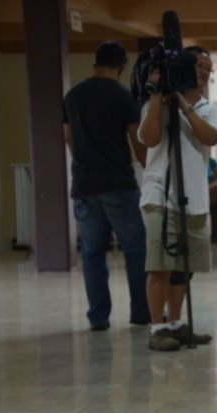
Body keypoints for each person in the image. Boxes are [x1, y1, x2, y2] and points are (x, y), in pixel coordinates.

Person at [138, 46, 217, 351]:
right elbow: (150, 139)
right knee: (159, 264)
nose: (203, 72)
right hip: (160, 193)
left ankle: (175, 323)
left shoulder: (208, 108)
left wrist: (184, 105)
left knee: (183, 267)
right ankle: (157, 328)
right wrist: (157, 100)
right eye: (198, 65)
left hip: (194, 196)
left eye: (208, 68)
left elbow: (209, 137)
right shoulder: (156, 102)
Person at [62, 41, 150, 331]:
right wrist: (151, 174)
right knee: (135, 248)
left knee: (92, 252)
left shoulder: (73, 95)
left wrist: (86, 163)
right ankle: (140, 311)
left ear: (94, 63)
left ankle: (98, 317)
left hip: (84, 185)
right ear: (122, 67)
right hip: (117, 183)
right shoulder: (124, 96)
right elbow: (137, 141)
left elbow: (69, 138)